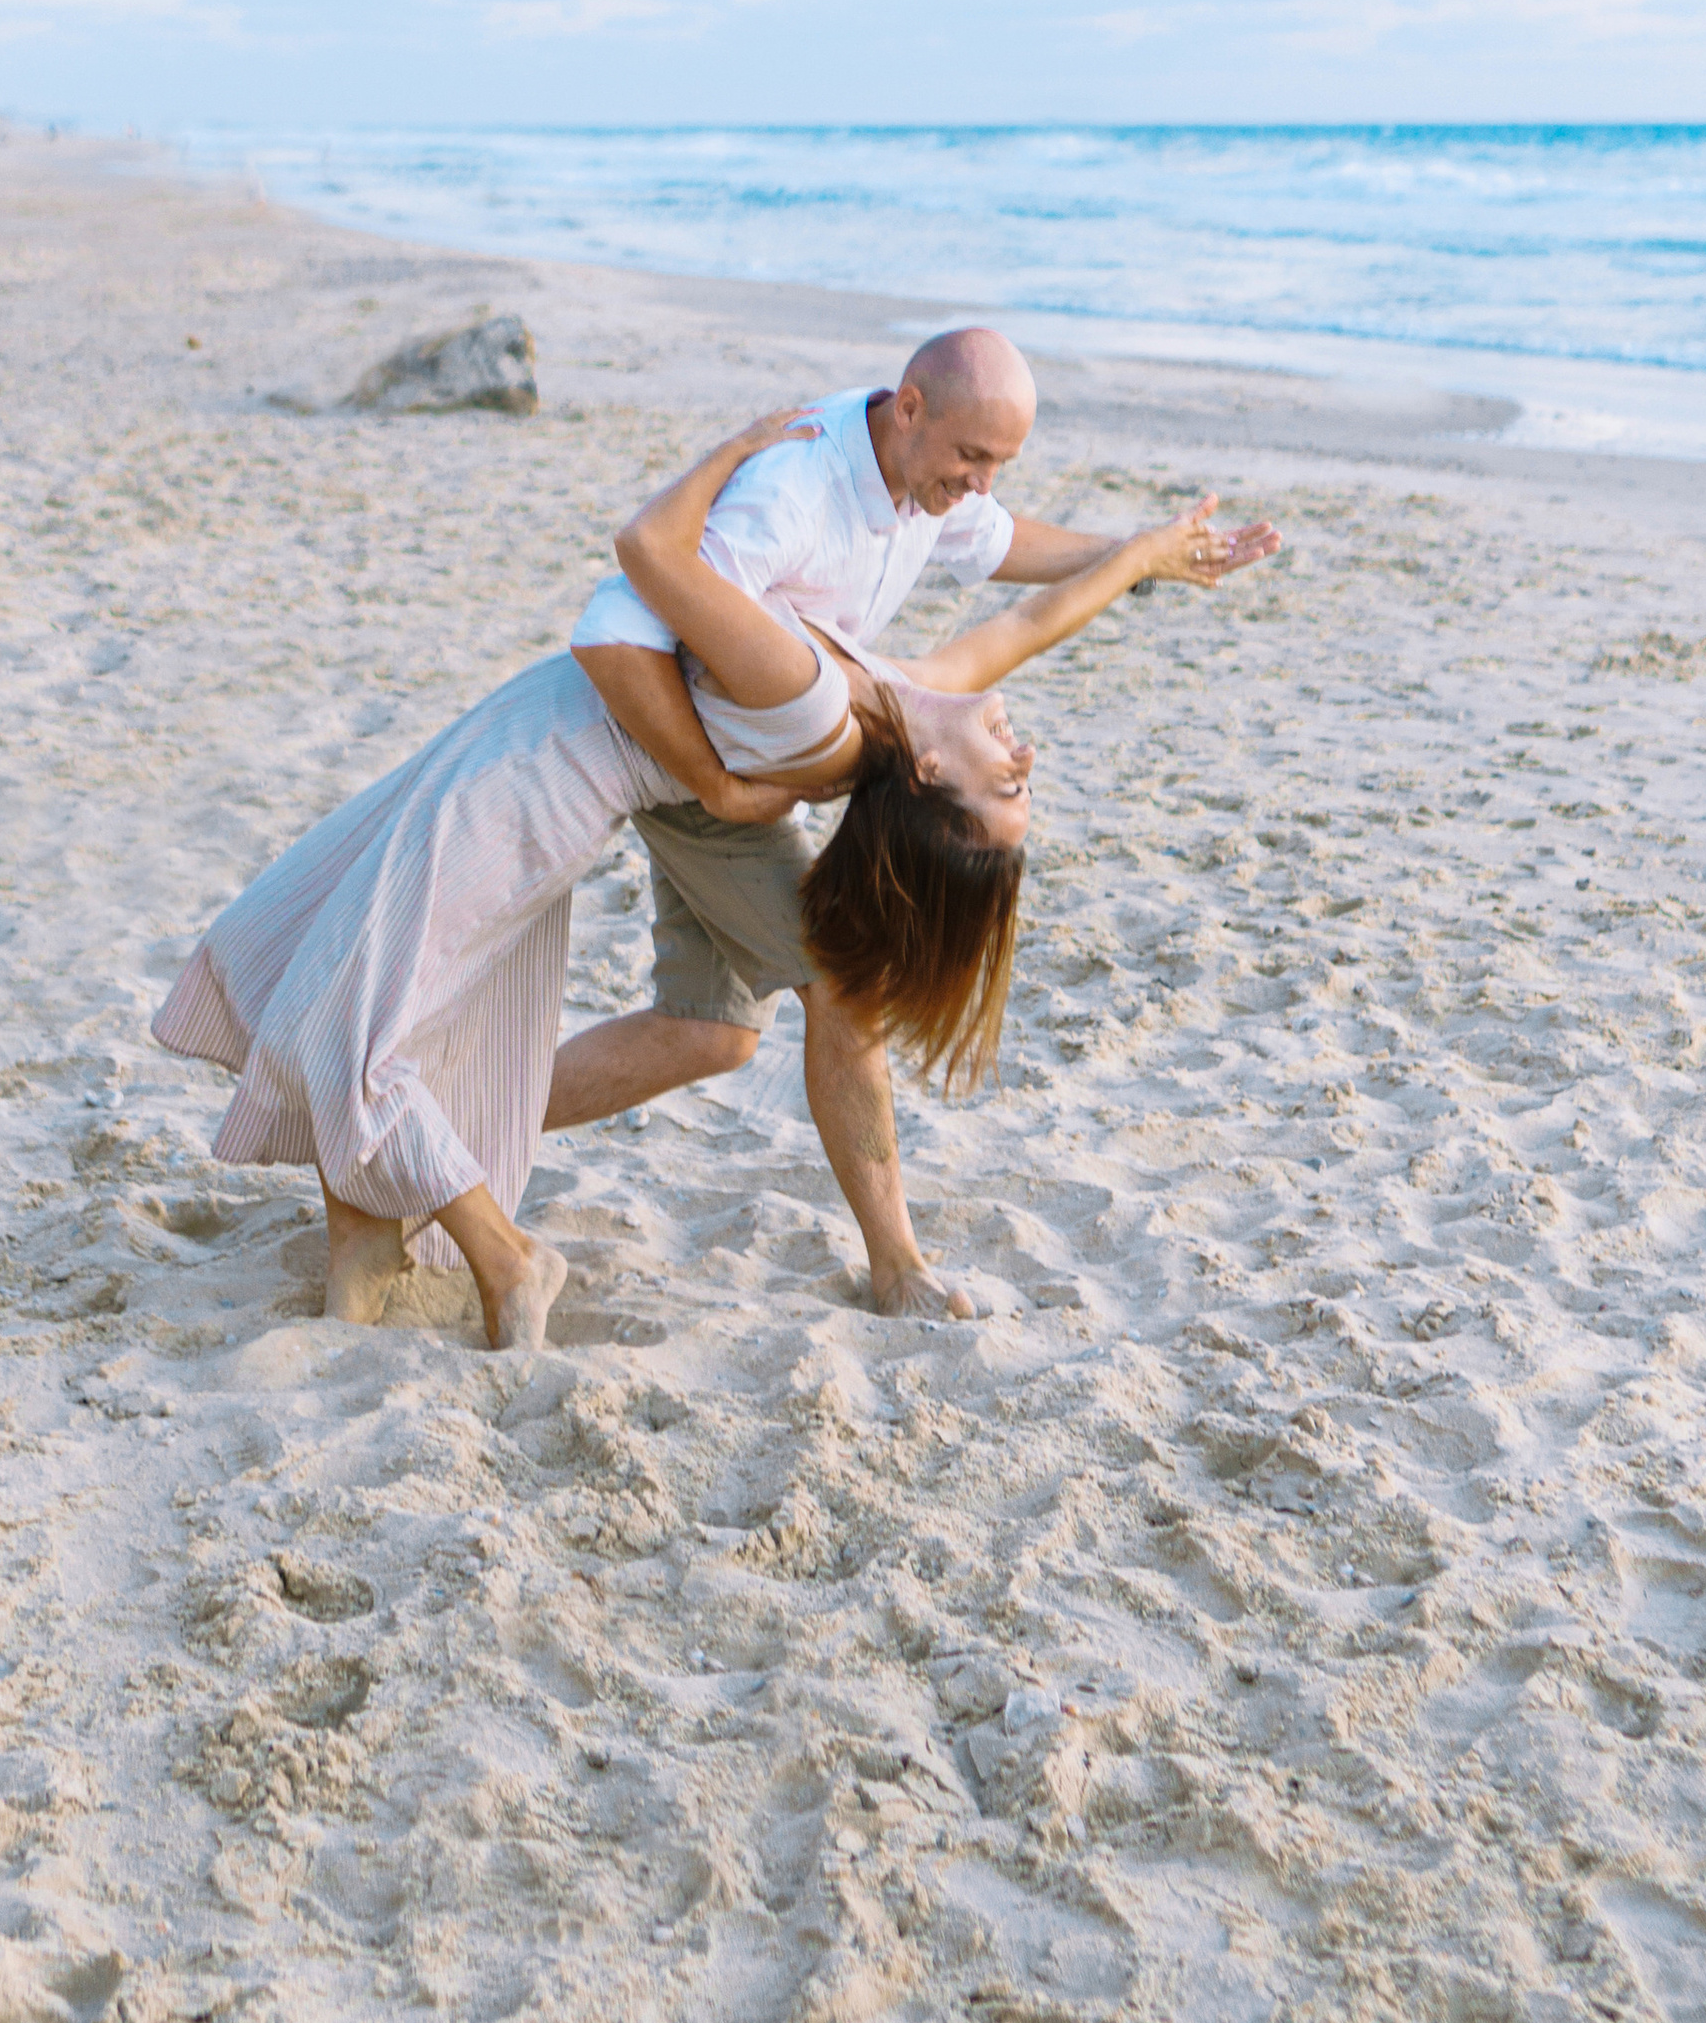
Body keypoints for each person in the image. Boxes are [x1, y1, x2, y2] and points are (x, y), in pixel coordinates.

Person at [152, 401, 1274, 1350]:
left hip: (567, 759)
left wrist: (732, 450)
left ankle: (493, 1237)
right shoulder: (903, 687)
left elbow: (647, 550)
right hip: (590, 748)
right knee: (548, 1013)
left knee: (352, 1017)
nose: (1027, 757)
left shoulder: (826, 701)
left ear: (932, 777)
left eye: (1008, 787)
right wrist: (1145, 556)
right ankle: (390, 1215)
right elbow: (1030, 617)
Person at [553, 325, 1276, 1317]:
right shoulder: (801, 512)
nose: (978, 486)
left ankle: (463, 1136)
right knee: (842, 994)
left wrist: (1148, 554)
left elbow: (1015, 585)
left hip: (739, 760)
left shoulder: (902, 670)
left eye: (998, 466)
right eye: (970, 459)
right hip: (680, 750)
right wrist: (709, 782)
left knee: (707, 1034)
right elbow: (640, 602)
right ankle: (894, 1267)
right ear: (909, 409)